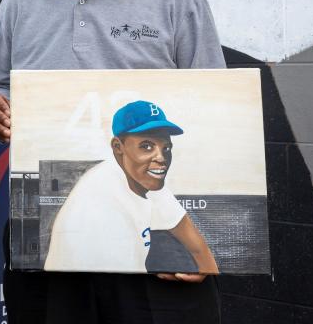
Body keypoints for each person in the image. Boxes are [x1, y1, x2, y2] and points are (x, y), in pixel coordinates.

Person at [0, 0, 225, 324]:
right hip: (47, 242)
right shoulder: (18, 3)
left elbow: (214, 111)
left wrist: (207, 241)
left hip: (154, 260)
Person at [43, 100, 218, 275]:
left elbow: (198, 247)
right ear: (118, 147)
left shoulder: (141, 175)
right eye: (147, 146)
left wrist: (207, 272)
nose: (161, 158)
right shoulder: (99, 208)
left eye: (166, 148)